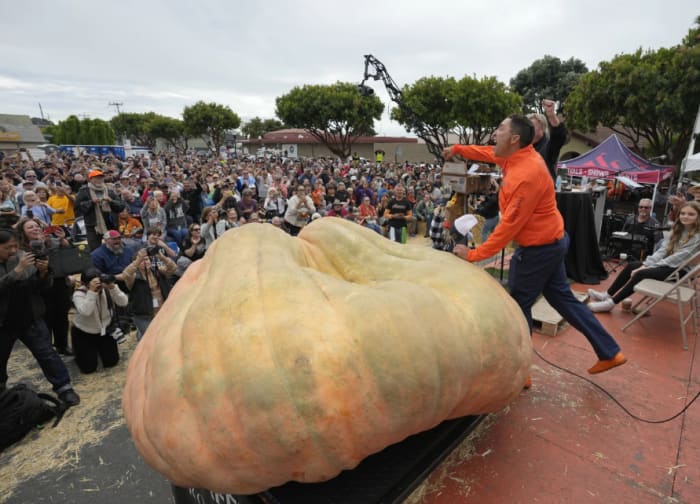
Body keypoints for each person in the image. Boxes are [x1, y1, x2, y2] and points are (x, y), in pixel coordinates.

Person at [443, 114, 626, 376]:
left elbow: (508, 227)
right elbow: (487, 152)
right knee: (563, 299)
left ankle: (521, 373)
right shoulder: (517, 156)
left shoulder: (525, 175)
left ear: (515, 139)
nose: (495, 133)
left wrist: (473, 254)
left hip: (539, 250)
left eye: (500, 129)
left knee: (517, 306)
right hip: (553, 241)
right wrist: (458, 149)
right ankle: (610, 352)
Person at [0, 228, 80, 405]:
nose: (13, 251)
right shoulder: (20, 263)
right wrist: (16, 271)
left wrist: (43, 273)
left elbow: (39, 287)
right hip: (3, 323)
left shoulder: (23, 256)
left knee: (47, 354)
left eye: (15, 246)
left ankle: (64, 388)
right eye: (7, 248)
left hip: (30, 317)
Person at [588, 201, 700, 313]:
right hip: (670, 266)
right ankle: (607, 295)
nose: (685, 216)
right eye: (683, 213)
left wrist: (647, 268)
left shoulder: (697, 236)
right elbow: (662, 251)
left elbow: (677, 258)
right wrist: (647, 264)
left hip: (681, 271)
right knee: (631, 266)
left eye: (691, 214)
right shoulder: (678, 230)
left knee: (641, 273)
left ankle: (611, 304)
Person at [17, 217, 75, 356]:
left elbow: (68, 254)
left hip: (59, 283)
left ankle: (62, 345)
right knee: (46, 319)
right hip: (40, 287)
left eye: (36, 226)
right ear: (23, 232)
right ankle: (48, 350)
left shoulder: (51, 241)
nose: (35, 229)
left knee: (61, 316)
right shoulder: (21, 249)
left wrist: (62, 239)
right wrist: (40, 245)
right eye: (30, 227)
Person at [71, 268, 128, 373]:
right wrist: (92, 292)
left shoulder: (107, 288)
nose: (98, 285)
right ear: (85, 283)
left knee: (111, 362)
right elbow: (86, 311)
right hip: (84, 332)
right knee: (88, 369)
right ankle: (83, 353)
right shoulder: (79, 294)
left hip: (105, 329)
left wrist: (113, 287)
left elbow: (123, 302)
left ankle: (96, 351)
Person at [121, 245, 176, 341]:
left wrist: (161, 257)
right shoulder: (134, 276)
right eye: (142, 261)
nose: (145, 262)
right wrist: (138, 260)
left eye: (147, 259)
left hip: (162, 311)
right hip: (144, 316)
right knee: (150, 340)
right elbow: (125, 274)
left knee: (165, 337)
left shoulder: (158, 270)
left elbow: (173, 268)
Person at [74, 169, 125, 251]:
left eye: (101, 178)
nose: (99, 180)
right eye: (96, 178)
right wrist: (91, 202)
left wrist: (111, 201)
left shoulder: (109, 191)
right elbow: (77, 207)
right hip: (93, 226)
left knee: (116, 247)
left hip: (111, 224)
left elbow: (121, 206)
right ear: (90, 179)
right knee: (95, 249)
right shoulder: (84, 191)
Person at [529, 99, 567, 181]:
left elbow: (559, 136)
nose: (528, 129)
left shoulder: (547, 147)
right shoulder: (522, 147)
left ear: (542, 128)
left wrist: (551, 115)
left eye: (532, 126)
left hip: (542, 192)